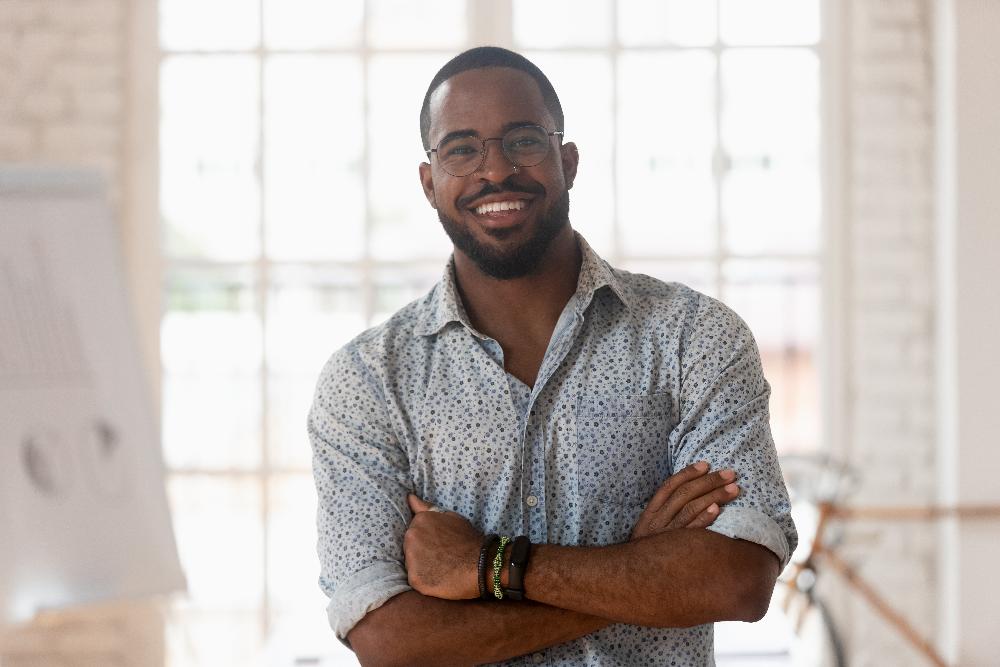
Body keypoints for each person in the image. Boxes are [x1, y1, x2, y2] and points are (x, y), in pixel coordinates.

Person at [309, 46, 797, 666]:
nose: (495, 171)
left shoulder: (691, 337)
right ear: (430, 182)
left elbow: (736, 580)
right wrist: (643, 565)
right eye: (462, 149)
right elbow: (390, 641)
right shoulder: (367, 381)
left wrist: (486, 564)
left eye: (523, 140)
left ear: (566, 160)